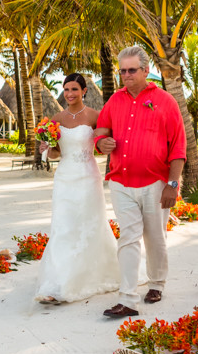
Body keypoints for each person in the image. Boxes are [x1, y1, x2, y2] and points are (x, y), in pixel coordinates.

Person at [95, 46, 186, 317]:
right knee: (129, 238)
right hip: (121, 182)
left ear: (146, 70)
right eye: (122, 70)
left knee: (155, 238)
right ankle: (127, 299)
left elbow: (178, 148)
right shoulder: (114, 100)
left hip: (156, 183)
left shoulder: (166, 101)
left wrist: (172, 185)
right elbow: (100, 133)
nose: (126, 75)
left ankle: (156, 283)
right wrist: (102, 143)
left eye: (131, 70)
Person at [35, 73, 120, 304]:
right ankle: (58, 282)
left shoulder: (95, 115)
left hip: (88, 176)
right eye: (66, 89)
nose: (69, 94)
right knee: (63, 226)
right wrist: (47, 147)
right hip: (64, 177)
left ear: (84, 91)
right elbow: (55, 153)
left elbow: (104, 143)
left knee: (90, 223)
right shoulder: (56, 117)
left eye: (74, 89)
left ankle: (89, 276)